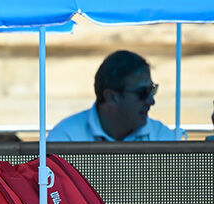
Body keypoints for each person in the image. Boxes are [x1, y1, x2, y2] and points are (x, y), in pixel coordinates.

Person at [49, 50, 179, 142]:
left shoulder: (163, 136)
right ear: (111, 97)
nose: (151, 101)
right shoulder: (65, 137)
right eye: (142, 93)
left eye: (152, 89)